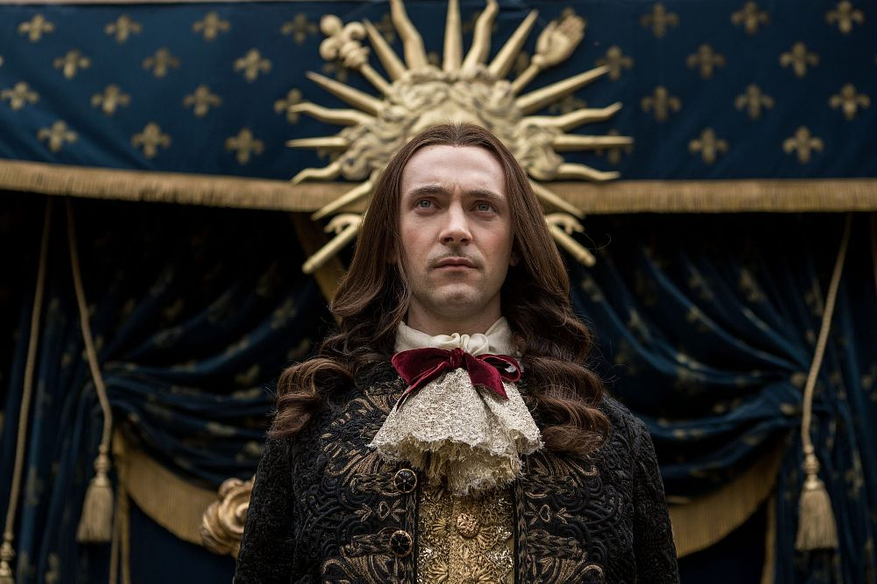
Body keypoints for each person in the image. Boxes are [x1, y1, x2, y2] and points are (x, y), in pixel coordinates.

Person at [234, 123, 679, 583]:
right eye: (427, 204)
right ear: (390, 242)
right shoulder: (309, 427)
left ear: (515, 244)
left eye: (483, 207)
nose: (455, 230)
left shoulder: (611, 438)